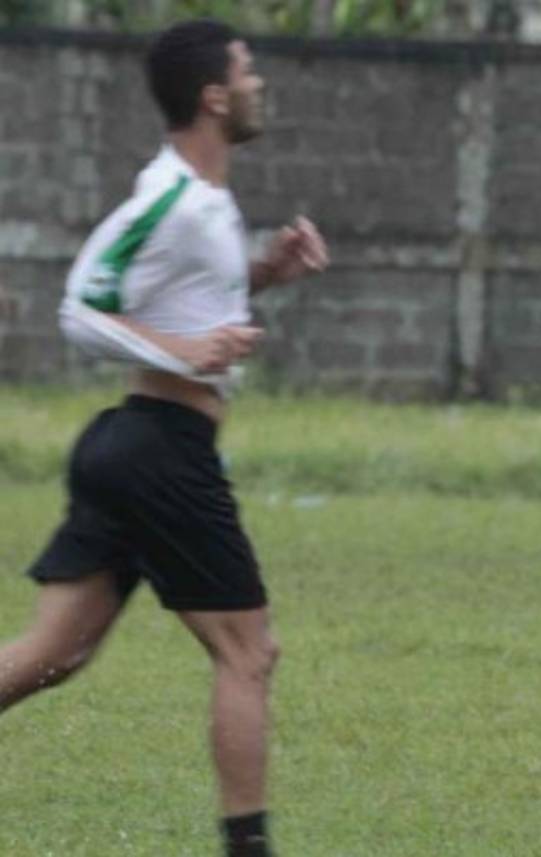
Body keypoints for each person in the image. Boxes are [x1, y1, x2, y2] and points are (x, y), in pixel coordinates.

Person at [0, 20, 329, 857]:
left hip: (133, 446)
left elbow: (188, 301)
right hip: (161, 451)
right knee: (249, 653)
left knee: (52, 653)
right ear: (214, 97)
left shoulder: (207, 202)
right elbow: (80, 305)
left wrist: (264, 275)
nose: (258, 85)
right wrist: (185, 352)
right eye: (247, 73)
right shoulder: (170, 197)